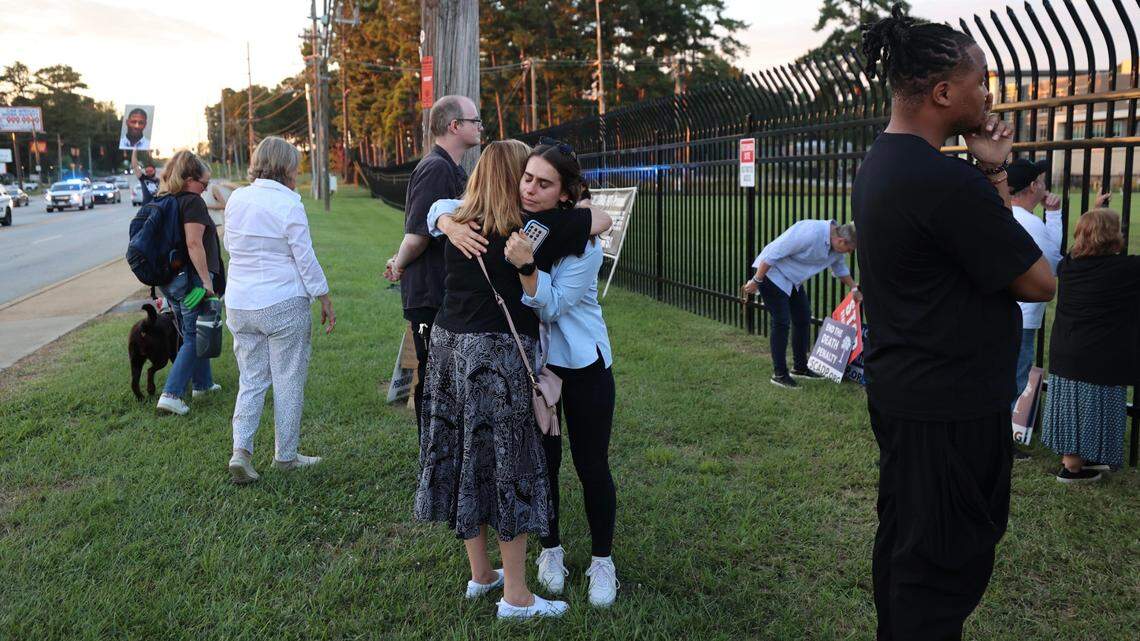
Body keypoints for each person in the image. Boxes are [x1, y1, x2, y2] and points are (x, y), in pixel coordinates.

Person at [855, 8, 1055, 640]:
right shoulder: (941, 181)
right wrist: (990, 178)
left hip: (909, 394)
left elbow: (982, 253)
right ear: (943, 93)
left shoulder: (882, 163)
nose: (988, 95)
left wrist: (992, 171)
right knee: (941, 568)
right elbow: (1036, 278)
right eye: (980, 82)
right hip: (950, 409)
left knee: (909, 549)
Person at [412, 140, 612, 620]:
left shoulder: (465, 221)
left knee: (467, 458)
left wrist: (444, 221)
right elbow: (596, 217)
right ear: (511, 178)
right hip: (499, 357)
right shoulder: (525, 229)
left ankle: (484, 574)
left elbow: (596, 224)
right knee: (512, 466)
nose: (531, 187)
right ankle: (518, 594)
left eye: (543, 182)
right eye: (526, 177)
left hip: (453, 350)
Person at [222, 136, 335, 484]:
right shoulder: (289, 205)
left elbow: (230, 245)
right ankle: (285, 456)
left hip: (240, 302)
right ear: (286, 167)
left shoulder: (237, 198)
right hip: (282, 301)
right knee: (288, 378)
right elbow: (305, 257)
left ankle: (241, 450)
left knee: (252, 378)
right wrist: (324, 297)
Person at [383, 95, 481, 436]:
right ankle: (431, 454)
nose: (480, 126)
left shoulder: (454, 168)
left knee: (447, 378)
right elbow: (418, 234)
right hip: (429, 292)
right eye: (475, 120)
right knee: (432, 380)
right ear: (455, 126)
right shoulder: (436, 168)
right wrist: (398, 263)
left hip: (445, 289)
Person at [1040, 206, 1139, 483]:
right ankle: (1072, 468)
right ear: (1112, 237)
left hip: (1066, 353)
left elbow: (1080, 249)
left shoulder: (1068, 266)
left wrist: (1095, 210)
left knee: (1073, 407)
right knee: (1097, 407)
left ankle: (1077, 459)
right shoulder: (1126, 269)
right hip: (1100, 356)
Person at [740, 220, 860, 389]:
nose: (848, 253)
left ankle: (800, 368)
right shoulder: (811, 233)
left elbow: (840, 270)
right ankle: (780, 374)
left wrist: (854, 287)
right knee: (781, 322)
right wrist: (756, 280)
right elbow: (774, 252)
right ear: (841, 241)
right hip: (772, 274)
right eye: (849, 250)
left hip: (792, 280)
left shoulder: (836, 249)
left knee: (803, 318)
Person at [155, 150, 228, 416]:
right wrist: (207, 281)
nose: (205, 189)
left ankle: (203, 384)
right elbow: (194, 243)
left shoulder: (165, 199)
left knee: (191, 331)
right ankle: (172, 394)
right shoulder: (192, 203)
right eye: (203, 184)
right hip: (192, 281)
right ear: (188, 178)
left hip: (171, 281)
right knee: (195, 335)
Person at [1007, 158, 1064, 459]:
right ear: (1033, 186)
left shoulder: (1003, 215)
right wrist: (1054, 216)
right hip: (1025, 316)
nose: (1044, 185)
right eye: (1041, 180)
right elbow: (1052, 264)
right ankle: (1001, 439)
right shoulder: (1032, 223)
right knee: (1015, 377)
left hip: (1001, 310)